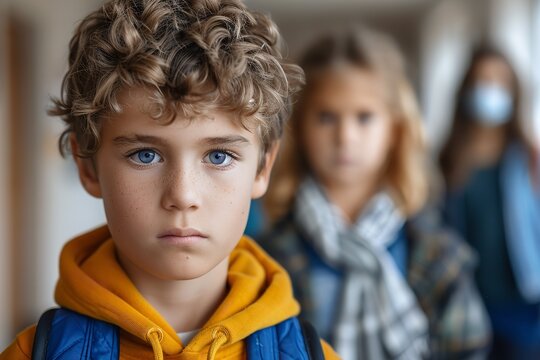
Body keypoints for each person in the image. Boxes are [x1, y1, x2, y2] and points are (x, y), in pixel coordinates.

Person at [0, 0, 340, 359]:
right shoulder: (31, 353)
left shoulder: (313, 354)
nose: (183, 195)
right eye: (145, 155)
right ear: (88, 166)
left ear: (262, 168)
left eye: (219, 156)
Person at [260, 27, 491, 360]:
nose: (346, 136)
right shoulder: (268, 257)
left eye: (364, 118)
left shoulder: (437, 253)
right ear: (299, 128)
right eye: (326, 117)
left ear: (395, 131)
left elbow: (468, 349)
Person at [439, 45, 540, 359]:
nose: (490, 90)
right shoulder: (447, 161)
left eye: (500, 81)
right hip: (466, 306)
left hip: (524, 307)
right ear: (467, 89)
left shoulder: (530, 158)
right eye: (482, 80)